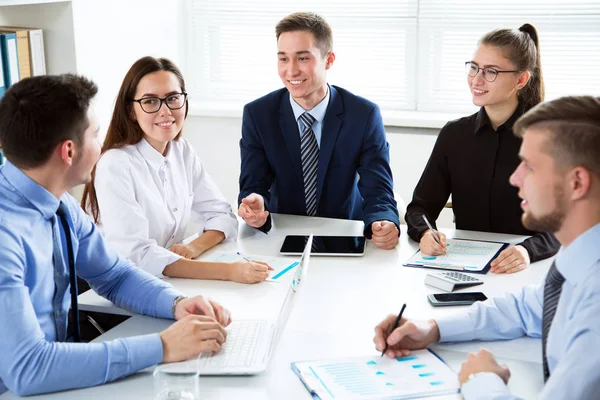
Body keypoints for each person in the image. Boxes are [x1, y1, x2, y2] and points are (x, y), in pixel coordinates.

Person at [0, 74, 232, 396]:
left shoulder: (60, 203)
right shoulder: (5, 236)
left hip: (60, 379)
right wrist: (162, 346)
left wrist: (178, 303)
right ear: (69, 151)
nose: (102, 144)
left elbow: (114, 275)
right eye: (95, 134)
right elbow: (28, 368)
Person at [374, 96, 600, 399]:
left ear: (577, 183)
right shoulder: (579, 259)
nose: (515, 177)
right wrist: (432, 328)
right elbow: (525, 309)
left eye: (529, 166)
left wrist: (482, 381)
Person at [82, 57, 271, 284]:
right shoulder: (115, 164)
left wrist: (193, 247)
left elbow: (222, 215)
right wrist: (229, 272)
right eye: (150, 101)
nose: (165, 111)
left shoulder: (180, 150)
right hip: (115, 287)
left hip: (167, 279)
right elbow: (136, 256)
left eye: (173, 98)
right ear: (131, 111)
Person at [237, 12, 400, 250]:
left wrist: (383, 220)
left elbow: (377, 186)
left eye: (303, 58)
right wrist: (256, 204)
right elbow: (254, 183)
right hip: (281, 237)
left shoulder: (363, 115)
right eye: (283, 59)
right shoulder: (258, 114)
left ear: (329, 59)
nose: (291, 71)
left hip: (345, 236)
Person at [405, 24, 559, 273]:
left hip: (526, 270)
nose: (476, 80)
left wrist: (527, 250)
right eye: (474, 67)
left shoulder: (547, 138)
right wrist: (424, 232)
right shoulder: (454, 134)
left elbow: (562, 225)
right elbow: (419, 208)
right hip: (462, 268)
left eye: (491, 72)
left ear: (521, 79)